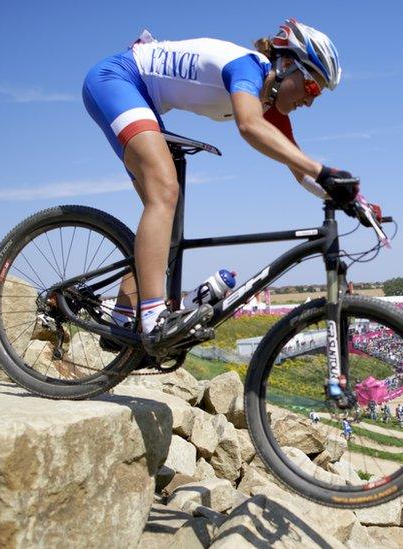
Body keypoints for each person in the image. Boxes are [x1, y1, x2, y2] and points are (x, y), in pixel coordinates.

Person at [83, 19, 352, 352]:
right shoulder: (248, 69)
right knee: (165, 193)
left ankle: (122, 321)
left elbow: (298, 168)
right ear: (285, 64)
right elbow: (249, 126)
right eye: (311, 88)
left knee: (166, 218)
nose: (310, 102)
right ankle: (154, 320)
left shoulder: (267, 101)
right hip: (118, 79)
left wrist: (353, 200)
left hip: (141, 97)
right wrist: (324, 171)